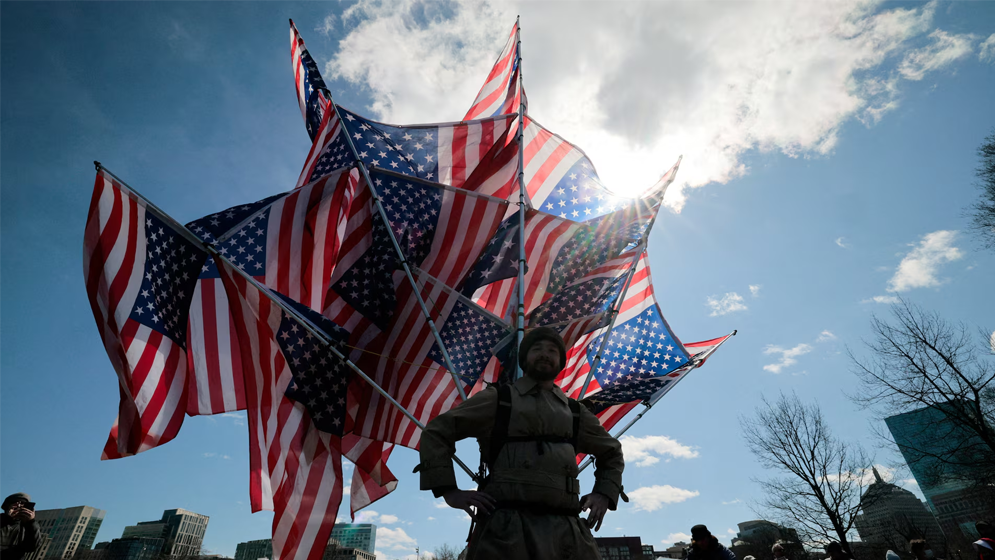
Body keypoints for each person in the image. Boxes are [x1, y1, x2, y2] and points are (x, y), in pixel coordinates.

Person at [418, 327, 625, 560]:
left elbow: (612, 452)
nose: (545, 354)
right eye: (537, 349)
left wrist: (603, 494)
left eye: (552, 350)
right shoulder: (499, 399)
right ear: (524, 360)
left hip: (568, 533)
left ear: (561, 362)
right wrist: (449, 491)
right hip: (507, 530)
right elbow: (436, 432)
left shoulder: (576, 411)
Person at [0, 493, 43, 560]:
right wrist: (8, 518)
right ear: (7, 506)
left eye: (23, 504)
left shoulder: (27, 526)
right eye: (15, 504)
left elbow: (32, 547)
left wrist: (31, 522)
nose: (19, 506)